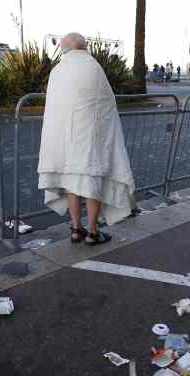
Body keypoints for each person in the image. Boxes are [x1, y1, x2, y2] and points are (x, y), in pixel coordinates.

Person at [37, 33, 135, 246]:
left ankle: (76, 229)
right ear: (84, 47)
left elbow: (54, 111)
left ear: (63, 50)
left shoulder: (57, 71)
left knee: (71, 182)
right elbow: (106, 105)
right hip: (90, 141)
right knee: (92, 183)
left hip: (65, 142)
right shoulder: (94, 68)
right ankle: (92, 232)